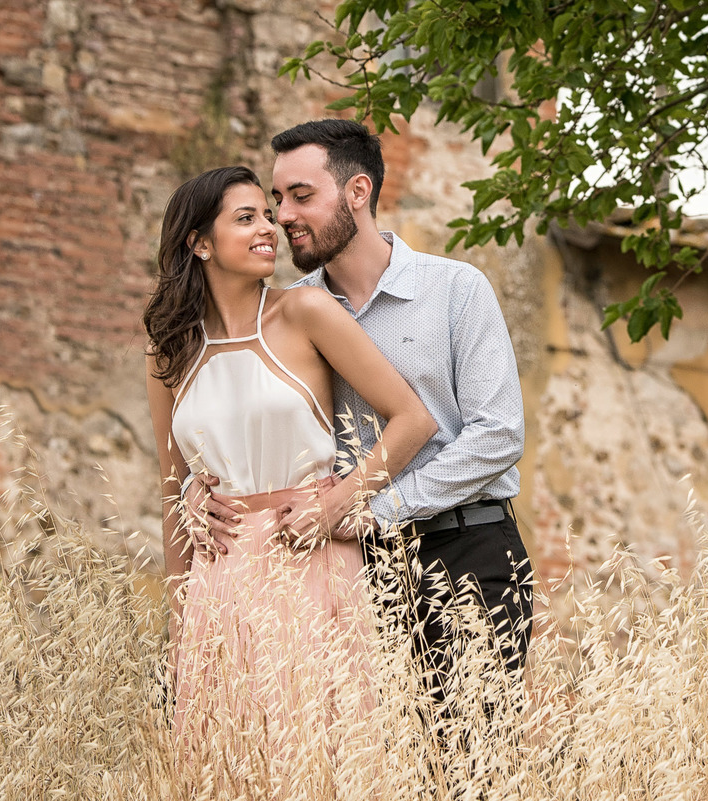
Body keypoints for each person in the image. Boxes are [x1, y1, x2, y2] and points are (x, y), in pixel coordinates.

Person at [192, 119, 534, 708]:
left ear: (357, 193)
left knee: (470, 766)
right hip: (349, 569)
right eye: (278, 199)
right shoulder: (297, 314)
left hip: (468, 551)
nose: (284, 216)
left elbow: (497, 436)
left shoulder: (455, 289)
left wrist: (373, 508)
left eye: (302, 196)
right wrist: (204, 491)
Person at [143, 166, 437, 768]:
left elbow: (413, 419)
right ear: (199, 242)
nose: (268, 228)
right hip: (217, 580)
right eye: (245, 217)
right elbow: (171, 488)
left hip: (311, 562)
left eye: (266, 215)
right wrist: (179, 628)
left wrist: (341, 500)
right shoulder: (169, 347)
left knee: (319, 757)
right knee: (229, 765)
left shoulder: (306, 313)